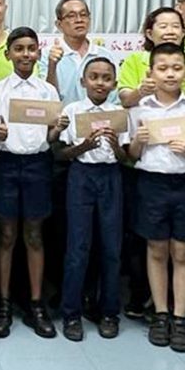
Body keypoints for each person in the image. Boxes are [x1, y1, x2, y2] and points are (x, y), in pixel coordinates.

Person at [126, 43, 185, 353]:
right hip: (151, 184)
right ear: (151, 72)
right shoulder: (140, 110)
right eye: (163, 68)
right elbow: (130, 155)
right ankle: (160, 313)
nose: (170, 73)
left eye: (176, 67)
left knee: (183, 251)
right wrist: (139, 143)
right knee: (156, 249)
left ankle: (180, 317)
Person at [0, 27, 63, 340]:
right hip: (5, 165)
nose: (26, 54)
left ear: (39, 53)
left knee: (34, 234)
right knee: (5, 234)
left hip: (38, 165)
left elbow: (51, 136)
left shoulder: (47, 91)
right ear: (8, 54)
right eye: (19, 49)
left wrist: (57, 129)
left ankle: (35, 303)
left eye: (31, 48)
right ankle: (2, 303)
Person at [58, 55, 126, 341]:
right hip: (81, 177)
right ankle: (71, 313)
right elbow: (61, 154)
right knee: (78, 247)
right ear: (83, 81)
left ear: (114, 83)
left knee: (111, 248)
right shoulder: (73, 111)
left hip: (111, 177)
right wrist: (83, 146)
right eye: (94, 77)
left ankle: (108, 312)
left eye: (106, 78)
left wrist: (115, 144)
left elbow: (128, 156)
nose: (100, 83)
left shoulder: (120, 113)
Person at [117, 7, 185, 108]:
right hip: (146, 121)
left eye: (175, 26)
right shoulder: (134, 60)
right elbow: (125, 100)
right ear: (150, 34)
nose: (170, 31)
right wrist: (140, 92)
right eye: (163, 26)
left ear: (183, 33)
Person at [38, 0, 115, 103]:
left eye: (83, 15)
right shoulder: (47, 55)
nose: (79, 20)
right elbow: (46, 97)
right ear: (59, 25)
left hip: (96, 118)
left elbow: (113, 97)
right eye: (71, 16)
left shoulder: (105, 55)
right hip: (62, 118)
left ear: (89, 20)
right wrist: (52, 65)